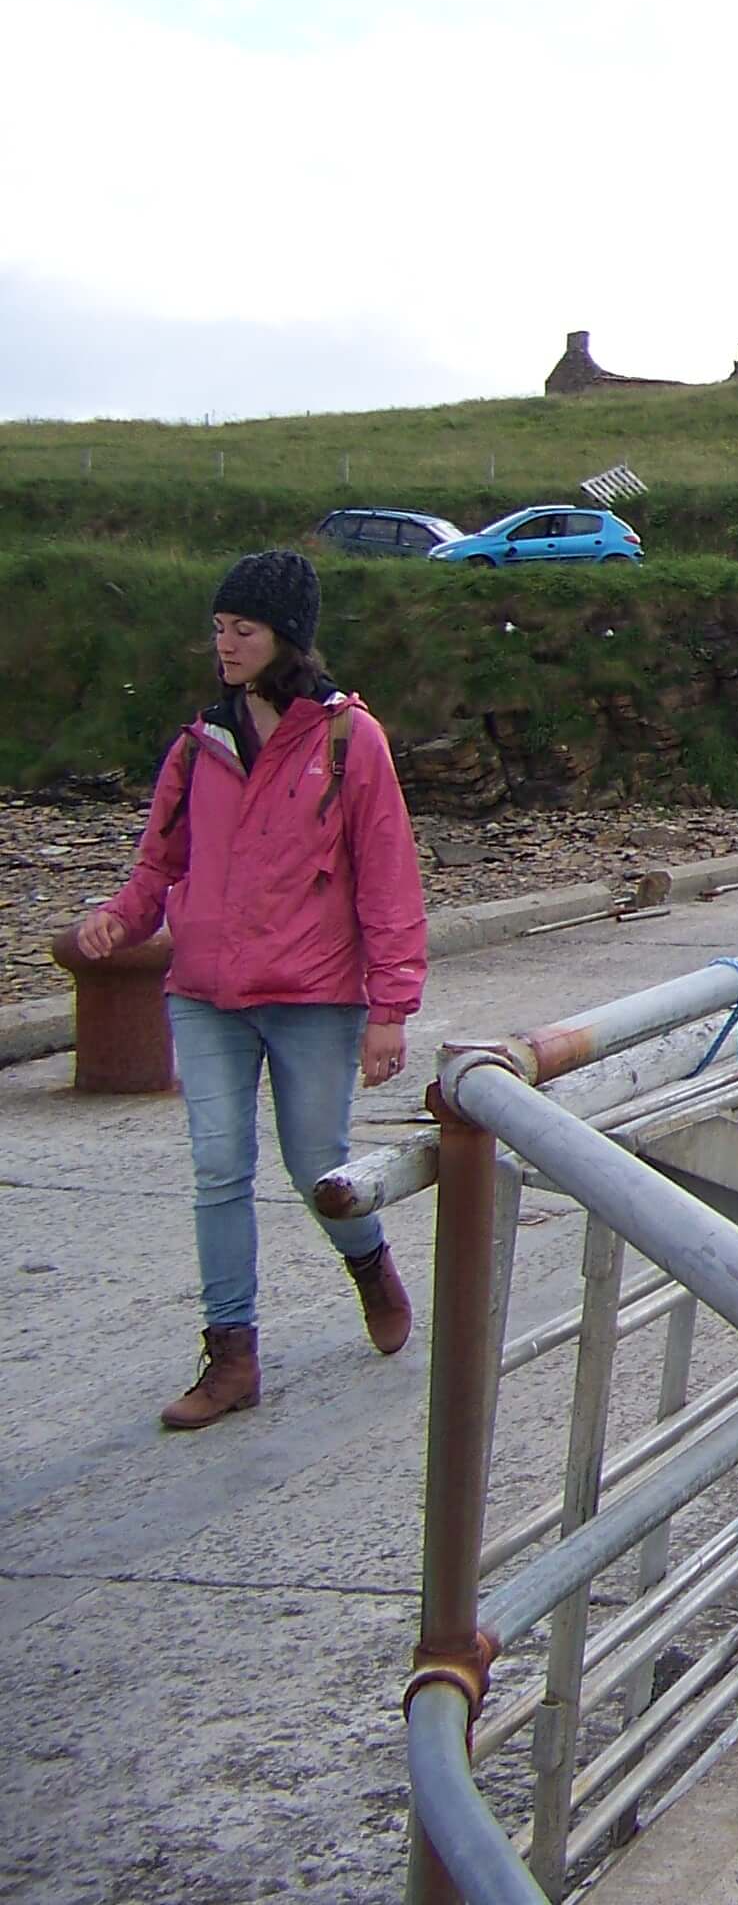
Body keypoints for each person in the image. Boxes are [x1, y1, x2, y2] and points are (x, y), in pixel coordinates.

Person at [72, 549, 430, 1429]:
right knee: (217, 1168)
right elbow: (161, 859)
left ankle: (369, 1264)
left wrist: (390, 1009)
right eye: (219, 628)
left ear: (287, 638)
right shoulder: (198, 746)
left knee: (318, 1167)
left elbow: (388, 879)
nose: (224, 644)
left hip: (313, 996)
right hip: (206, 994)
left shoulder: (352, 741)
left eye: (243, 629)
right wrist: (121, 917)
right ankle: (231, 1357)